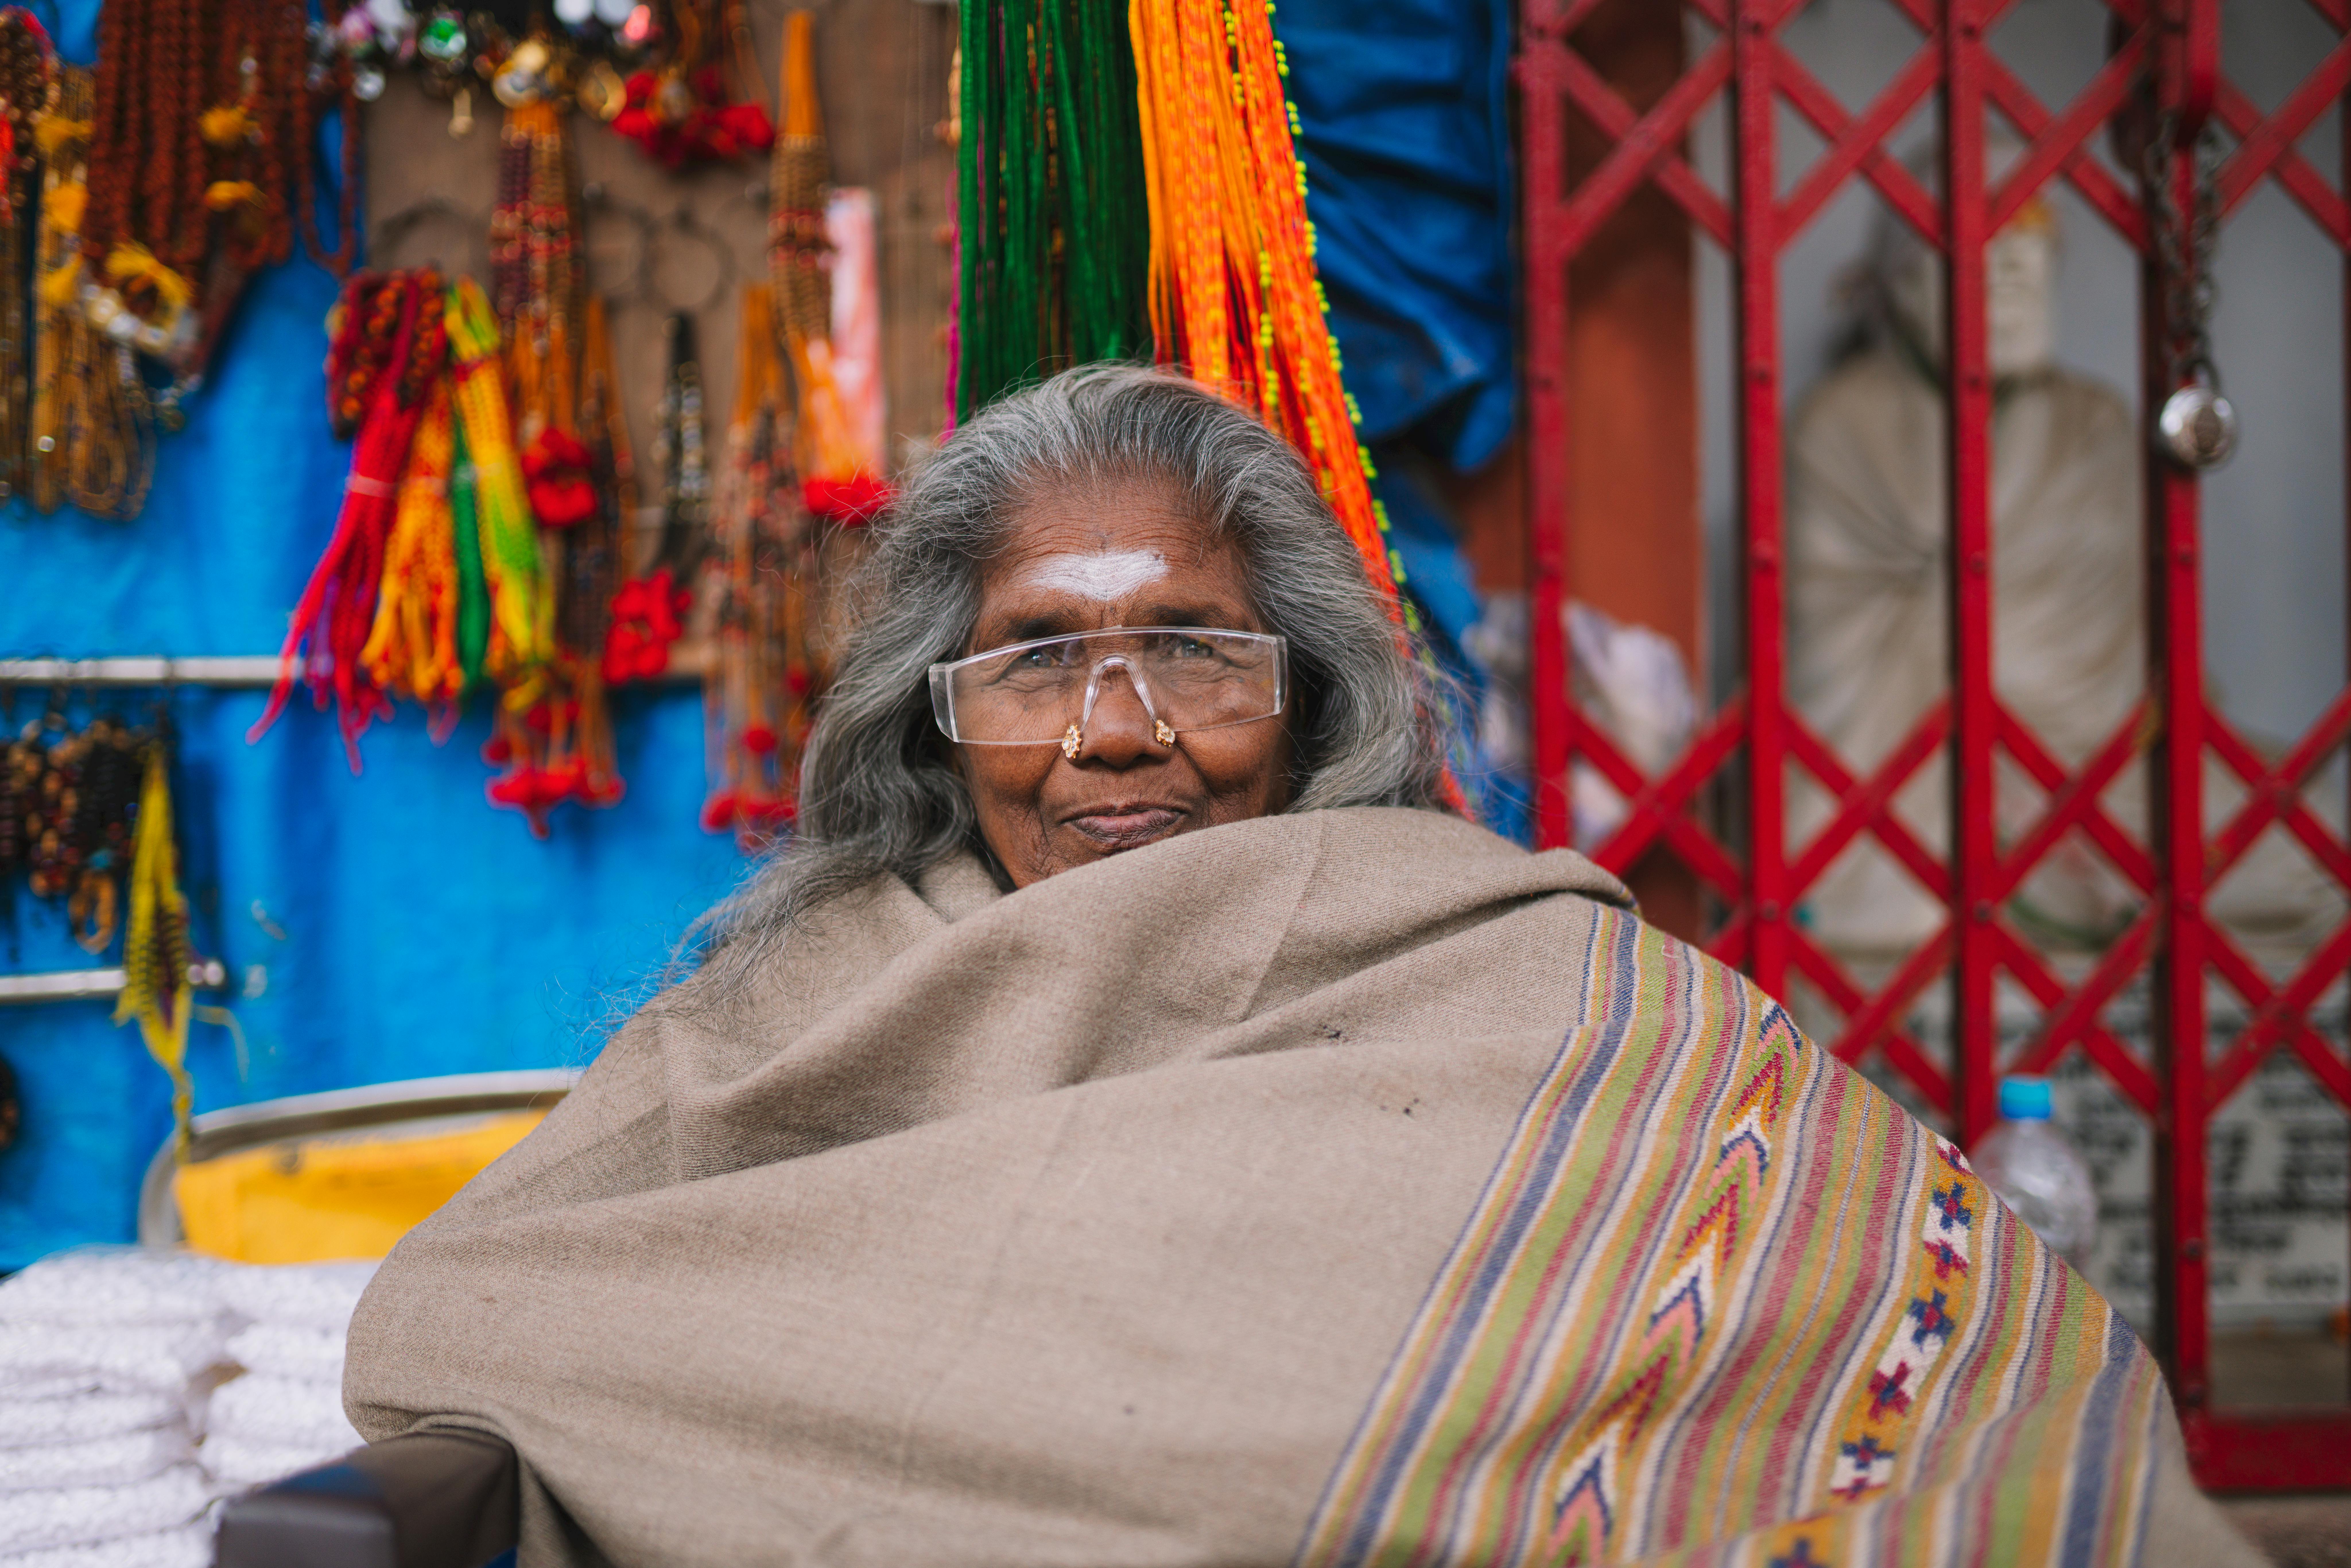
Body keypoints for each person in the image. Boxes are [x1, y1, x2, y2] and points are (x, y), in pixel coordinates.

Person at [345, 366, 2253, 1567]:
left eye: (1192, 646)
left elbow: (1877, 1307)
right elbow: (487, 1308)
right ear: (935, 723)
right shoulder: (780, 1023)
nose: (1115, 731)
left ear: (1304, 691)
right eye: (1033, 660)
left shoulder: (1497, 960)